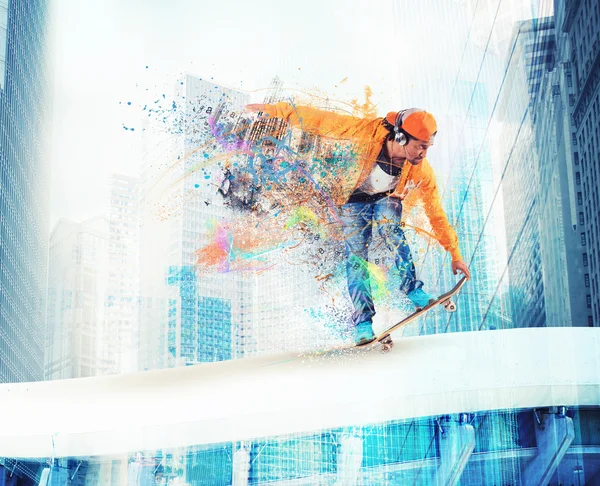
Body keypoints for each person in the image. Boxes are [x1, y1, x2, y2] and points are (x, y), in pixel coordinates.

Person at [245, 102, 471, 345]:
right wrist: (279, 111)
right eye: (420, 147)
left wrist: (454, 253)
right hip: (352, 199)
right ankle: (363, 323)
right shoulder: (367, 133)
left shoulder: (421, 172)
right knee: (356, 258)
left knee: (389, 228)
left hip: (386, 200)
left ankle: (413, 290)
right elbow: (322, 120)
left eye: (428, 148)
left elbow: (435, 213)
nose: (423, 154)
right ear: (402, 138)